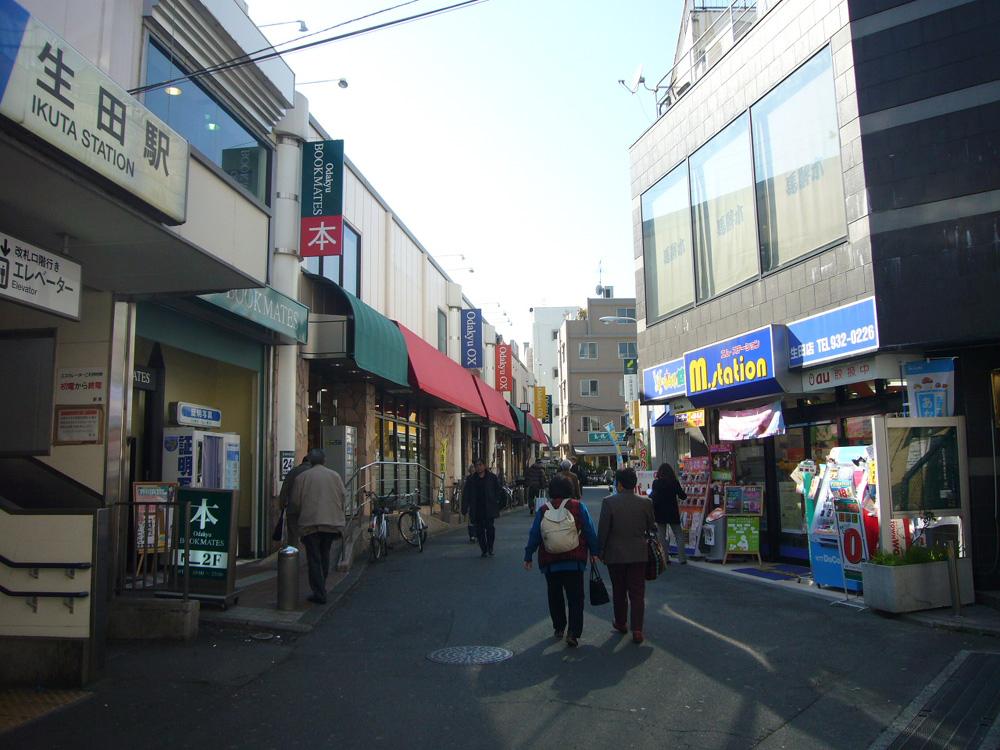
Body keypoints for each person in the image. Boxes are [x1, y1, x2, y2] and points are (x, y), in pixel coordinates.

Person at [524, 475, 600, 647]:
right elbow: (589, 530)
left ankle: (559, 627)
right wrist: (594, 552)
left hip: (550, 561)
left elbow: (535, 534)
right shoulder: (578, 507)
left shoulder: (543, 509)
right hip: (575, 559)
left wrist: (528, 555)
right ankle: (573, 632)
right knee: (575, 597)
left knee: (555, 595)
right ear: (570, 490)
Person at [598, 467, 656, 644]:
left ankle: (621, 622)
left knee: (619, 590)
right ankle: (637, 629)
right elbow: (652, 528)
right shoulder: (646, 503)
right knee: (637, 592)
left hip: (615, 554)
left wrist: (600, 551)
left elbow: (603, 530)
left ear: (619, 484)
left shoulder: (609, 502)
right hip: (639, 553)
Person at [289, 449, 347, 604]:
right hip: (330, 523)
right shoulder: (334, 476)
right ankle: (322, 586)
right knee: (325, 555)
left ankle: (319, 592)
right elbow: (343, 496)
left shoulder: (302, 477)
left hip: (310, 524)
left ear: (309, 460)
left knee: (314, 558)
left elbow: (295, 502)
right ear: (324, 460)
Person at [461, 457, 503, 557]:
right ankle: (483, 549)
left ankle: (490, 547)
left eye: (480, 465)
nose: (478, 467)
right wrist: (464, 507)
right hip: (477, 508)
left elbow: (499, 491)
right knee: (479, 530)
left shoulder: (492, 477)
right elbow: (466, 494)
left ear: (484, 466)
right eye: (476, 465)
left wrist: (497, 503)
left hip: (489, 507)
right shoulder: (471, 479)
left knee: (490, 529)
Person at [650, 462, 687, 564]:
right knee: (678, 534)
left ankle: (665, 559)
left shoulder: (656, 483)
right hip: (672, 512)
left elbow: (653, 496)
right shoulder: (674, 482)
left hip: (660, 512)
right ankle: (682, 559)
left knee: (661, 536)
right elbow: (682, 496)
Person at [277, 455, 310, 546]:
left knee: (293, 535)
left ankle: (294, 556)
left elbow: (284, 490)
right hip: (310, 510)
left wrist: (282, 505)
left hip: (293, 509)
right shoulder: (313, 473)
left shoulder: (292, 472)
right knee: (310, 536)